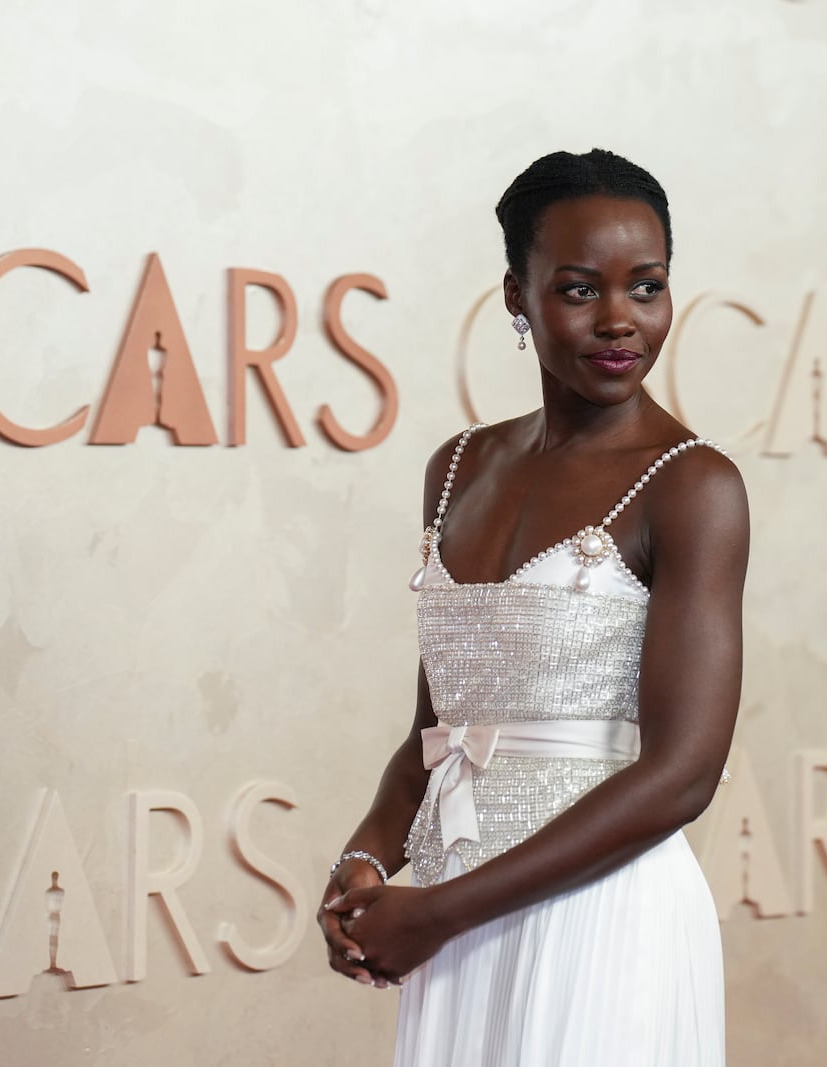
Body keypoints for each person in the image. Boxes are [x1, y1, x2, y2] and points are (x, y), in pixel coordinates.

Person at [317, 148, 749, 1066]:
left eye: (648, 286)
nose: (621, 321)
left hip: (605, 917)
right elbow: (436, 736)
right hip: (459, 917)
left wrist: (434, 910)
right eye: (581, 289)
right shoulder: (456, 468)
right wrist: (364, 862)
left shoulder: (694, 485)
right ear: (516, 295)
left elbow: (683, 775)